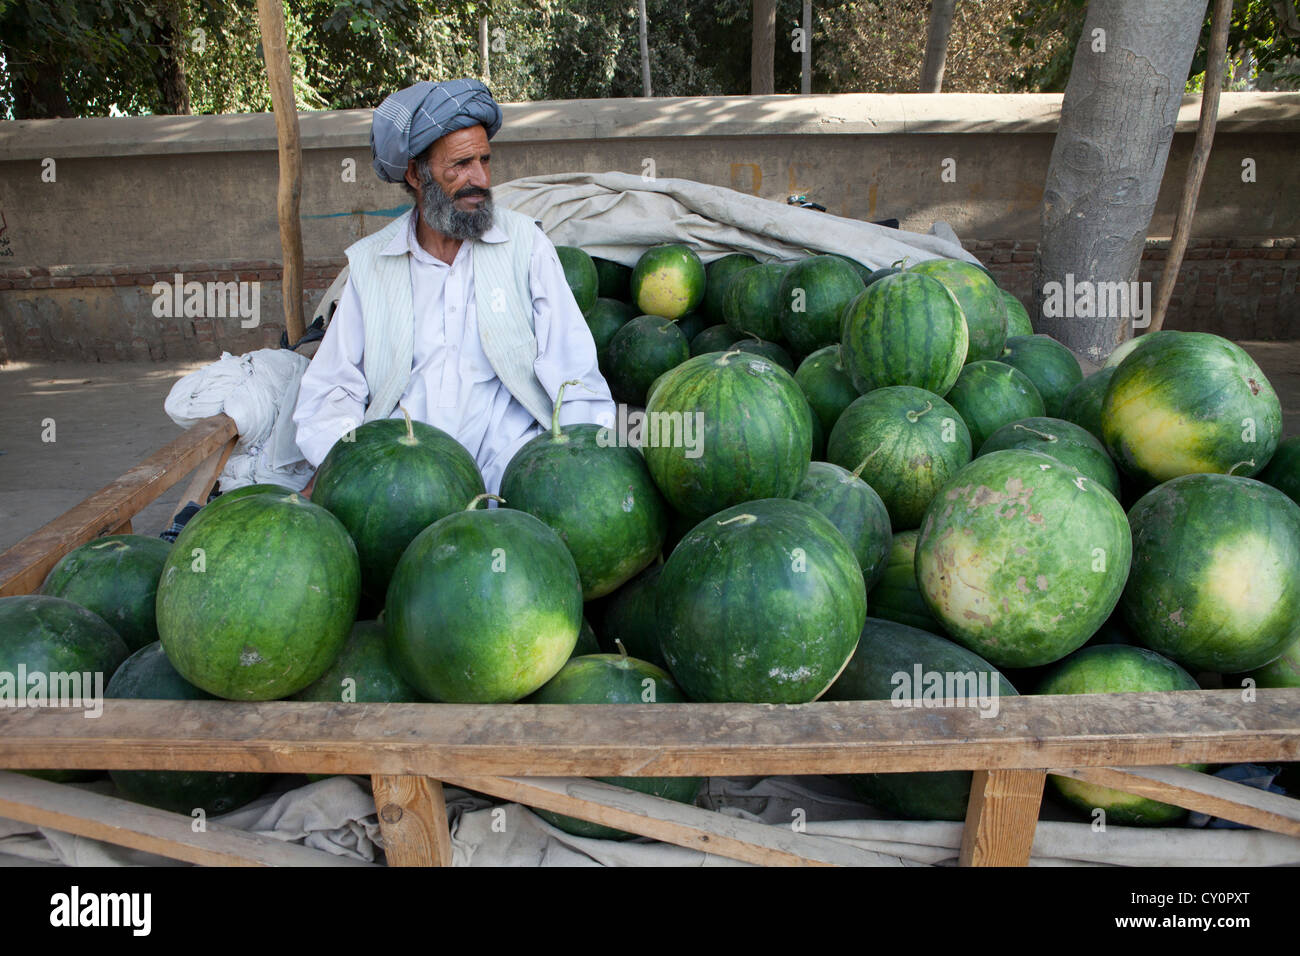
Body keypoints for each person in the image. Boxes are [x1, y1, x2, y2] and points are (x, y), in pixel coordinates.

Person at [292, 78, 615, 495]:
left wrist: (582, 467)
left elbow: (576, 375)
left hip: (512, 473)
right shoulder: (372, 264)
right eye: (461, 164)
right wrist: (352, 468)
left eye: (485, 160)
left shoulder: (525, 245)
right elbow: (332, 388)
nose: (480, 178)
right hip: (403, 483)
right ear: (415, 173)